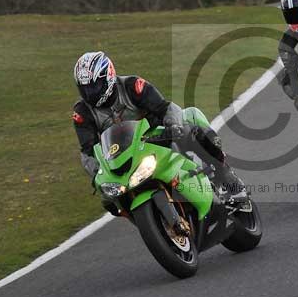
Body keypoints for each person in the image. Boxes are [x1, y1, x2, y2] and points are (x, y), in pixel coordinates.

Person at [71, 51, 247, 216]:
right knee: (109, 200)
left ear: (108, 76)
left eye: (94, 87)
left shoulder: (133, 86)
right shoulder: (82, 113)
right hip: (122, 155)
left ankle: (227, 179)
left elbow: (165, 107)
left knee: (192, 129)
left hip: (156, 136)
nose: (90, 93)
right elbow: (88, 150)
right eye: (85, 89)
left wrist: (173, 126)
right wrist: (96, 174)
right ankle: (151, 219)